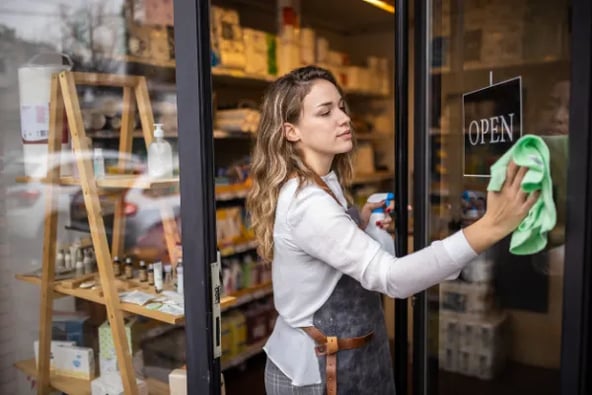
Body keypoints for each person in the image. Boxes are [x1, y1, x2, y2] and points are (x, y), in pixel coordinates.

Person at [246, 65, 539, 394]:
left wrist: (363, 223)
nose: (343, 118)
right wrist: (489, 228)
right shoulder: (307, 202)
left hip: (353, 357)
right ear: (291, 131)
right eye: (325, 112)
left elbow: (340, 260)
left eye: (341, 107)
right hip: (314, 371)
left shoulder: (327, 182)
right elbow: (392, 278)